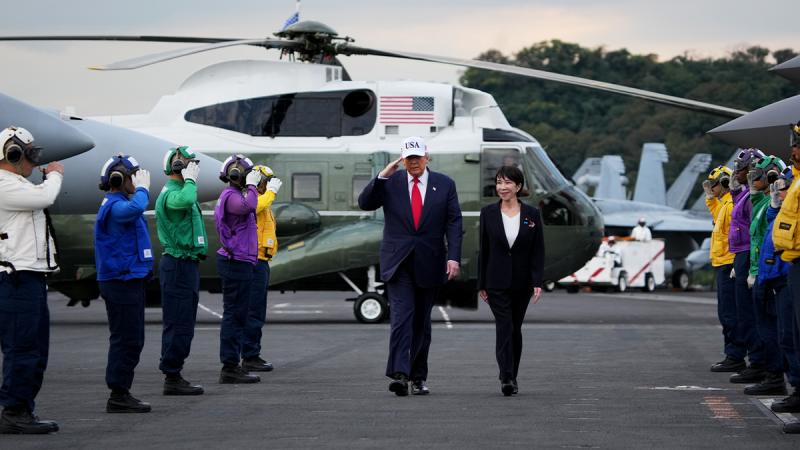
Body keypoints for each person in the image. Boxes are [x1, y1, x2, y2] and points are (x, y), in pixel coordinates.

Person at [358, 136, 463, 396]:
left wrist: (454, 257)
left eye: (418, 157)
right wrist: (382, 176)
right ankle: (399, 374)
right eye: (409, 158)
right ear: (402, 160)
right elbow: (365, 203)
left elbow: (454, 222)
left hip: (431, 261)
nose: (414, 161)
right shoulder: (390, 181)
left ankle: (418, 377)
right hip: (399, 262)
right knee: (401, 317)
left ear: (427, 157)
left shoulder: (445, 184)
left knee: (421, 323)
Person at [0, 126, 61, 434]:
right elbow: (45, 197)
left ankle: (23, 408)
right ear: (12, 154)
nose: (35, 161)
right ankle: (14, 411)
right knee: (22, 347)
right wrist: (55, 174)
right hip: (16, 279)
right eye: (30, 154)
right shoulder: (4, 184)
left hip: (30, 277)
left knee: (35, 349)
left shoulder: (18, 185)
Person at [93, 154, 154, 413]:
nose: (138, 180)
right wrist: (143, 189)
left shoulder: (121, 203)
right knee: (125, 339)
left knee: (134, 338)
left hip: (130, 279)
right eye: (134, 176)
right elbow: (136, 209)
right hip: (120, 281)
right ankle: (118, 395)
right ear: (119, 178)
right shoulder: (115, 205)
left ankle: (121, 392)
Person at [477, 165, 545, 396]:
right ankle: (506, 377)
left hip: (522, 281)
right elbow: (484, 249)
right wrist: (481, 283)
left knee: (515, 329)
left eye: (507, 183)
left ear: (518, 186)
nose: (502, 187)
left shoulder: (532, 214)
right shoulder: (488, 212)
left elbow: (537, 250)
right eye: (499, 182)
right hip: (495, 280)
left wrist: (537, 281)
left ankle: (513, 375)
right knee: (504, 325)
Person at [155, 146, 206, 396]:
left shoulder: (179, 190)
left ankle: (174, 373)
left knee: (184, 321)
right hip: (178, 264)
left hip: (185, 263)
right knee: (178, 322)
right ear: (176, 166)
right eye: (188, 163)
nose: (193, 167)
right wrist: (190, 180)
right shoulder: (173, 193)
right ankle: (172, 376)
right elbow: (186, 201)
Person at [743, 156, 789, 396]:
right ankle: (772, 374)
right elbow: (759, 236)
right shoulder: (765, 205)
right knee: (765, 326)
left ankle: (775, 376)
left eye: (757, 175)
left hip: (774, 274)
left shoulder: (782, 204)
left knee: (773, 328)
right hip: (764, 272)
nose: (753, 178)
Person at [214, 155, 261, 384]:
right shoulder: (232, 196)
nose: (250, 179)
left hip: (241, 260)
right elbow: (251, 205)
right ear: (235, 176)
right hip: (236, 262)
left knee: (238, 315)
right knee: (234, 315)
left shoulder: (233, 195)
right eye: (246, 175)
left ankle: (232, 365)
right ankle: (229, 368)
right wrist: (252, 185)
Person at [761, 168, 800, 416]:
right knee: (788, 336)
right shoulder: (783, 206)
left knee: (791, 336)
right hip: (780, 274)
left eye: (782, 188)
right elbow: (774, 229)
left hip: (786, 275)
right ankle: (796, 388)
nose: (778, 191)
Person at [727, 148, 767, 385]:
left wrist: (751, 265)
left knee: (748, 314)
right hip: (742, 255)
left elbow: (755, 232)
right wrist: (735, 192)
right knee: (744, 313)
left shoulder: (754, 198)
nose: (737, 173)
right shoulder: (745, 195)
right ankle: (757, 361)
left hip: (747, 254)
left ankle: (758, 363)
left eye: (741, 169)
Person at [772, 121, 800, 434]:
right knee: (793, 336)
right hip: (794, 262)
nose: (792, 148)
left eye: (797, 142)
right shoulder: (797, 180)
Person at [703, 165, 745, 373]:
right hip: (723, 263)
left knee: (729, 314)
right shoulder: (725, 204)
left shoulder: (731, 204)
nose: (711, 188)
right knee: (726, 313)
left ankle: (735, 356)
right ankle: (734, 354)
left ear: (724, 183)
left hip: (729, 264)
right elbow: (715, 212)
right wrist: (710, 198)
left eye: (714, 185)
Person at [241, 165, 282, 373]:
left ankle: (252, 353)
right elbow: (255, 206)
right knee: (253, 311)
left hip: (262, 260)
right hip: (253, 261)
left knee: (257, 310)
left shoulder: (264, 202)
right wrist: (271, 192)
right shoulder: (253, 200)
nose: (269, 185)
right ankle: (249, 355)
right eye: (267, 182)